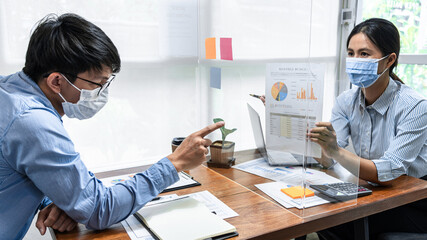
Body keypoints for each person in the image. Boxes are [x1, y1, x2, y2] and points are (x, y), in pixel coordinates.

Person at [0, 13, 224, 239]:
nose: (102, 93)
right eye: (97, 83)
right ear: (56, 81)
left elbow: (19, 169)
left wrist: (64, 199)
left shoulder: (10, 91)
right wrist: (176, 162)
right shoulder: (32, 122)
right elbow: (99, 210)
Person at [307, 18, 427, 239]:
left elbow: (391, 171)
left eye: (364, 54)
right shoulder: (346, 101)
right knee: (321, 214)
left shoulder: (415, 106)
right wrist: (322, 144)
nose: (355, 60)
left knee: (342, 221)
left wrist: (335, 151)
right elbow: (329, 160)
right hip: (376, 192)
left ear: (389, 60)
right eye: (351, 53)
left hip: (413, 200)